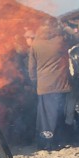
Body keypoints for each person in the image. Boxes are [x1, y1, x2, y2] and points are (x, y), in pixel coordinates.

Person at [27, 20, 72, 150]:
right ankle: (56, 141)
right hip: (60, 84)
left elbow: (31, 67)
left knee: (44, 116)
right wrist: (65, 28)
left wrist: (34, 81)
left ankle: (44, 142)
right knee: (58, 113)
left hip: (43, 86)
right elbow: (77, 37)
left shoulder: (35, 44)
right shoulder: (60, 40)